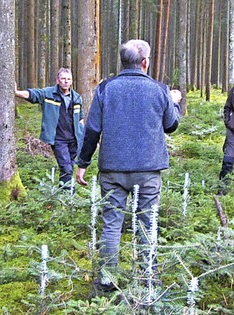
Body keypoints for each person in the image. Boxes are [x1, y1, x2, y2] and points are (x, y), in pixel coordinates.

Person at [74, 39, 181, 292]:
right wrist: (174, 102)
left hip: (112, 169)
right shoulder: (159, 89)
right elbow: (171, 125)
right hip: (148, 170)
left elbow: (92, 129)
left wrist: (82, 163)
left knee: (111, 225)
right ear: (145, 62)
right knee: (147, 223)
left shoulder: (106, 88)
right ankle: (147, 279)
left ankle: (107, 281)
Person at [15, 68, 84, 187]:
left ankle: (62, 193)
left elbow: (81, 120)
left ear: (72, 81)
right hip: (58, 139)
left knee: (69, 167)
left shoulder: (76, 98)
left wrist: (84, 137)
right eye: (63, 79)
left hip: (74, 139)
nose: (66, 81)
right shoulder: (48, 93)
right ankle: (68, 194)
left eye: (68, 79)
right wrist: (16, 92)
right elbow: (33, 94)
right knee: (66, 167)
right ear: (57, 80)